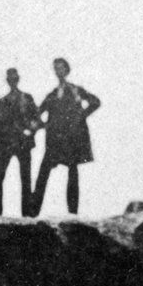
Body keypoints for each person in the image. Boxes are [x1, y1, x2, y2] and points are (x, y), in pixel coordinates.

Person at [31, 58, 100, 216]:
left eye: (61, 68)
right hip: (54, 141)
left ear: (67, 70)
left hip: (71, 139)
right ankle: (32, 213)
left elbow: (95, 102)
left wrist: (81, 116)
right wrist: (43, 125)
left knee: (72, 172)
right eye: (56, 68)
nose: (58, 71)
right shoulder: (52, 95)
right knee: (43, 173)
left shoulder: (76, 90)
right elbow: (37, 113)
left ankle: (73, 214)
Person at [0, 68, 39, 216]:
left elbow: (37, 120)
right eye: (10, 78)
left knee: (26, 179)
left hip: (23, 143)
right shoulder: (3, 101)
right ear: (7, 81)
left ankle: (27, 216)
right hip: (5, 143)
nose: (12, 81)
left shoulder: (27, 98)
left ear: (18, 79)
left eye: (14, 78)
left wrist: (30, 131)